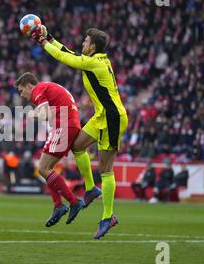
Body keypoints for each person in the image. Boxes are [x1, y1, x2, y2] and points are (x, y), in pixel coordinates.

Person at [30, 26, 128, 239]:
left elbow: (66, 59)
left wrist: (44, 43)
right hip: (100, 116)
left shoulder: (93, 63)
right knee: (76, 145)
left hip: (112, 118)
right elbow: (71, 53)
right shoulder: (98, 60)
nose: (82, 44)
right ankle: (91, 189)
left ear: (92, 47)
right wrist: (50, 38)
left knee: (106, 169)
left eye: (85, 42)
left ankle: (108, 216)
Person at [14, 72, 85, 227]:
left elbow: (45, 114)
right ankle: (59, 205)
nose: (22, 95)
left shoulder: (39, 89)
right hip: (68, 124)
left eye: (21, 90)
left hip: (64, 125)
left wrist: (32, 115)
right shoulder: (47, 87)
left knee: (43, 168)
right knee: (45, 168)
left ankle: (72, 202)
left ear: (28, 86)